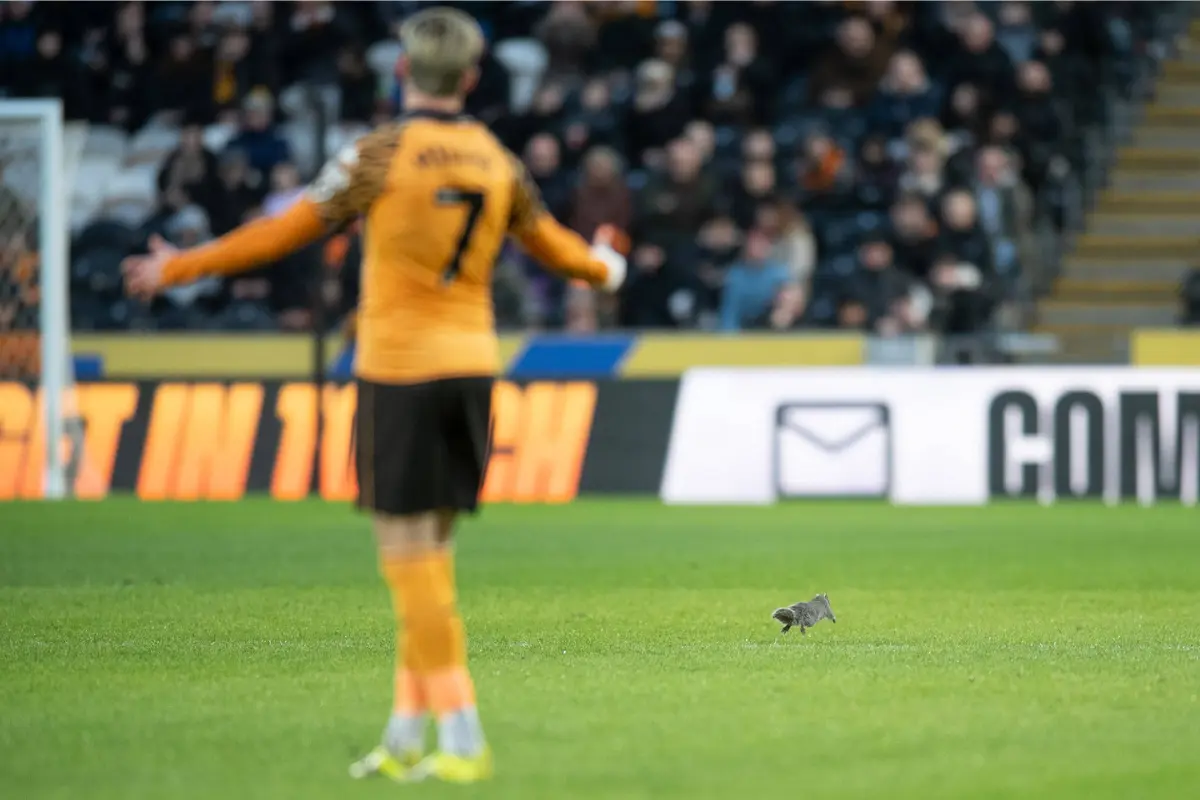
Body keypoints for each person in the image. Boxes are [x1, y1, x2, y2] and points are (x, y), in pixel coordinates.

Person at [121, 7, 626, 785]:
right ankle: (404, 734)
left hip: (400, 373)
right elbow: (555, 246)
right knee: (432, 563)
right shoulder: (495, 159)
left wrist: (178, 267)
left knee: (407, 564)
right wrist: (606, 267)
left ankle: (463, 734)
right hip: (473, 370)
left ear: (401, 71)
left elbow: (284, 230)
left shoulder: (378, 154)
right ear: (471, 78)